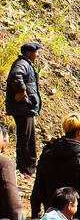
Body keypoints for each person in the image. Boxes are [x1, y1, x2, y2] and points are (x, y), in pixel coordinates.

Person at [5, 40, 42, 176]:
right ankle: (25, 169)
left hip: (25, 108)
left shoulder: (26, 64)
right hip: (23, 108)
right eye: (36, 52)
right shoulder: (22, 64)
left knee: (27, 138)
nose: (37, 55)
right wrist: (21, 91)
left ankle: (27, 168)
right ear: (28, 53)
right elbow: (16, 75)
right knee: (26, 139)